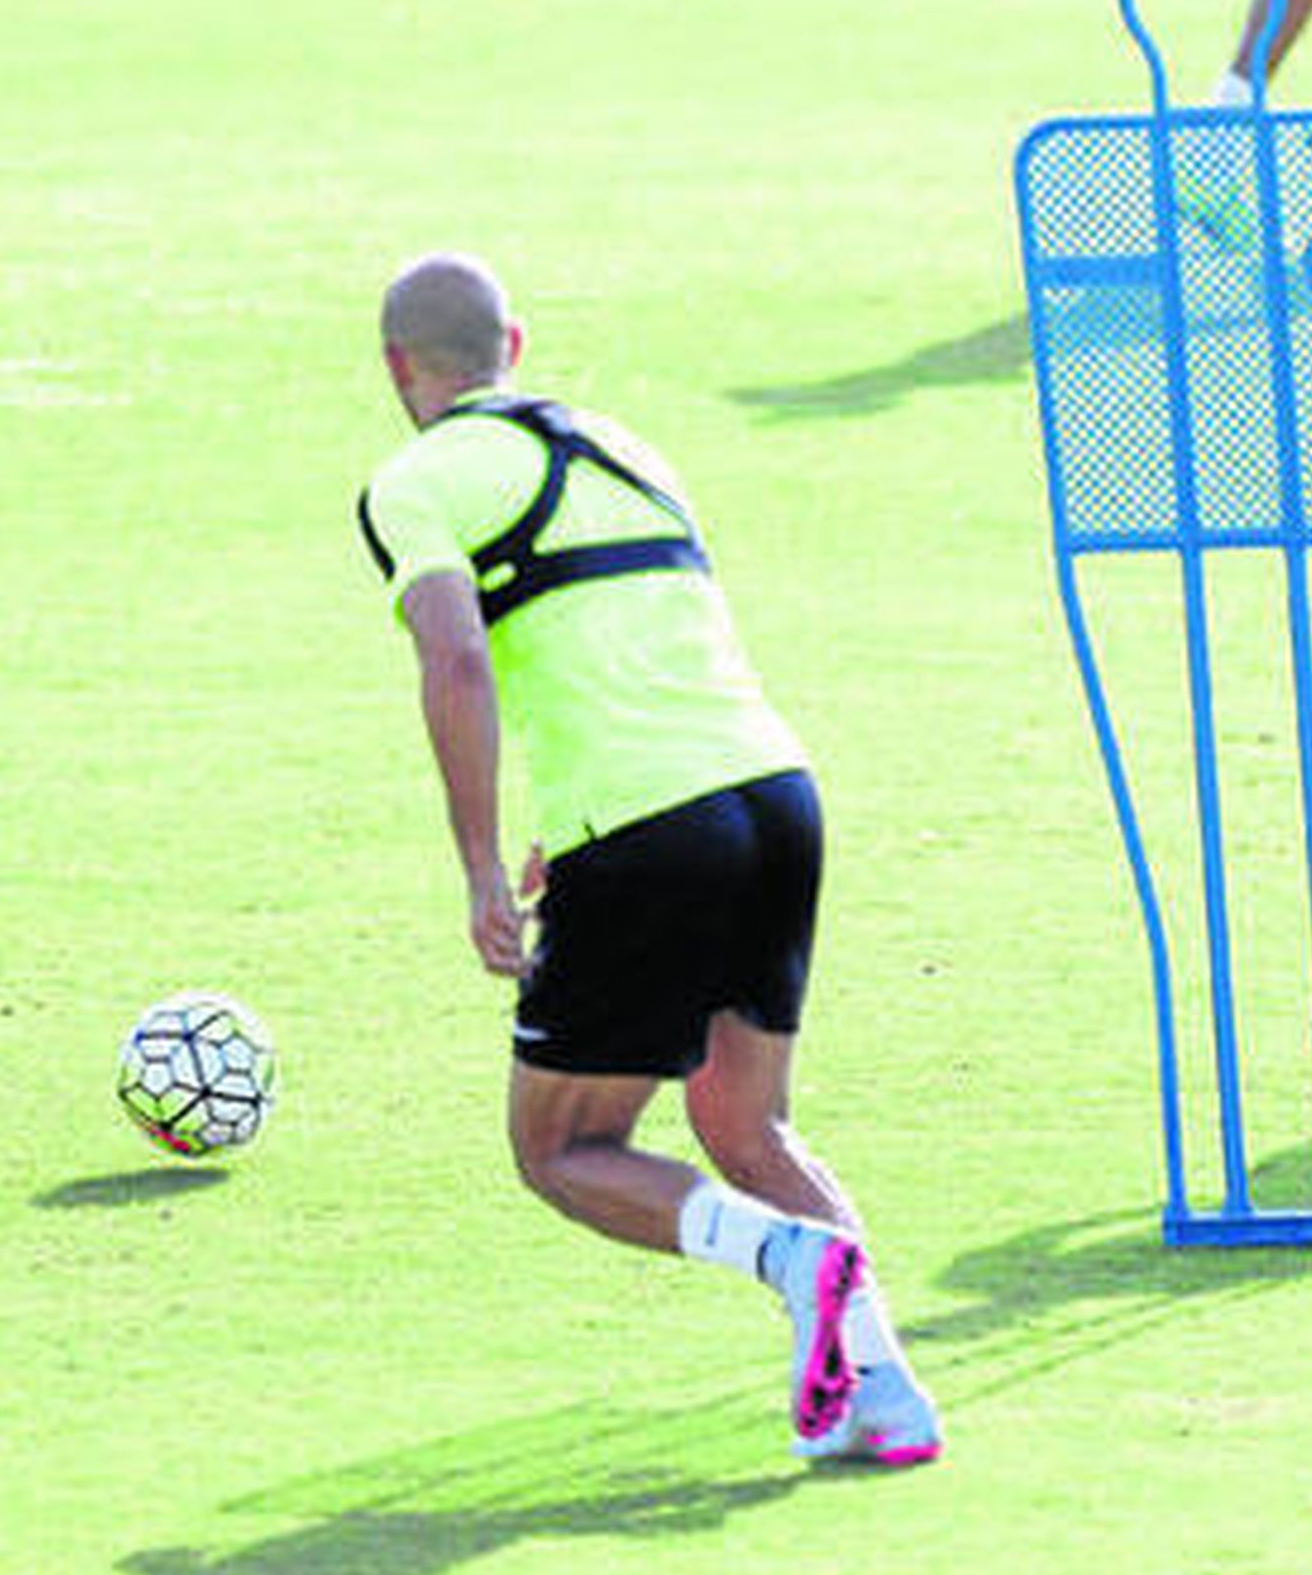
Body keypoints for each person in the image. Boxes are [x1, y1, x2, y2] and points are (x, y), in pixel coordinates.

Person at [356, 252, 941, 1468]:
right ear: (512, 344)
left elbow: (457, 663)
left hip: (646, 826)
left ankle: (791, 1257)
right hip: (775, 794)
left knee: (560, 1149)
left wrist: (478, 865)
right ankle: (885, 1395)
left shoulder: (415, 480)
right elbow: (641, 628)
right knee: (745, 1122)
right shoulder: (626, 446)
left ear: (398, 369)